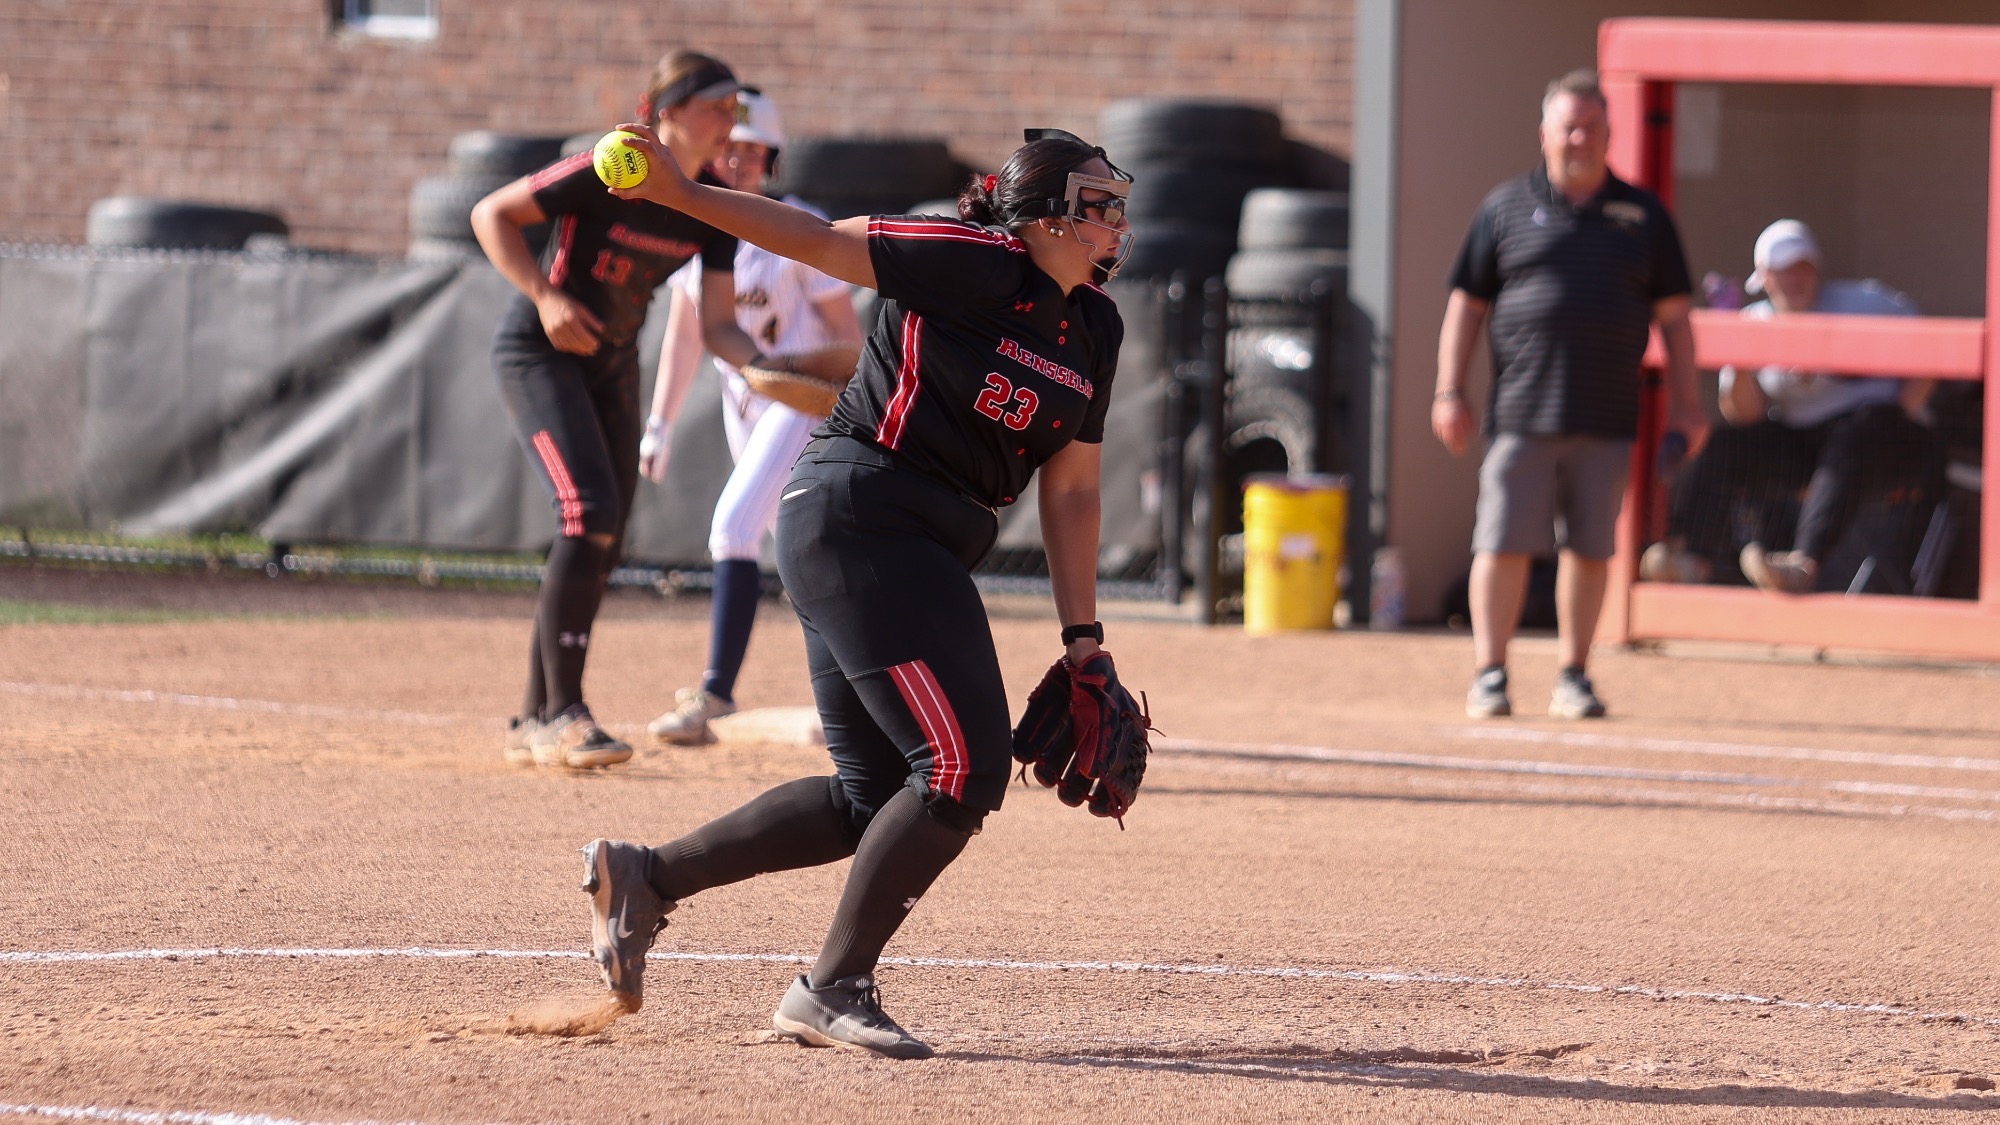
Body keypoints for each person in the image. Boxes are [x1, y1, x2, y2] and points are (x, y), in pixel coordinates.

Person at [569, 125, 1133, 1058]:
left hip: (913, 542)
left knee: (875, 798)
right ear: (1038, 216)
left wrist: (1085, 636)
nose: (1117, 221)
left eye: (1120, 205)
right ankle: (832, 986)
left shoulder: (1094, 330)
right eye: (1096, 204)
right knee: (960, 769)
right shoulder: (972, 261)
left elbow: (1073, 489)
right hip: (862, 512)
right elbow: (821, 241)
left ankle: (646, 877)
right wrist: (679, 195)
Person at [472, 51, 765, 769]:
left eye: (736, 109)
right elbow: (492, 214)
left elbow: (721, 325)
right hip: (541, 352)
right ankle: (564, 714)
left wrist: (770, 370)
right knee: (588, 514)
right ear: (665, 111)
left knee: (605, 532)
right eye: (715, 107)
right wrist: (545, 297)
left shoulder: (710, 201)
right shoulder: (613, 168)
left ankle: (536, 716)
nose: (730, 122)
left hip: (611, 363)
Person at [1433, 69, 1706, 721]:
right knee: (1501, 541)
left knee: (1590, 548)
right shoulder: (1503, 208)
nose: (1579, 138)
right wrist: (1449, 390)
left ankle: (1574, 674)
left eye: (1591, 127)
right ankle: (1491, 673)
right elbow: (1466, 306)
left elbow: (1676, 319)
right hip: (1521, 413)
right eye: (1568, 126)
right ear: (1545, 135)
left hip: (1608, 415)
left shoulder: (1645, 215)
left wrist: (1689, 404)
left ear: (1610, 135)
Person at [639, 91, 863, 746]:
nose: (737, 160)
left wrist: (791, 369)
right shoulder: (697, 227)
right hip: (745, 404)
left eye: (751, 150)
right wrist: (660, 422)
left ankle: (714, 691)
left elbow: (848, 344)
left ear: (771, 158)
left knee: (733, 527)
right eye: (728, 148)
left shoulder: (801, 226)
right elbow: (686, 336)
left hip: (797, 402)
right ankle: (857, 697)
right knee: (805, 554)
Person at [1642, 219, 1941, 593]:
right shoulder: (1753, 321)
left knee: (1858, 434)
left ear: (1816, 270)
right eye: (1782, 271)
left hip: (1887, 440)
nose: (1794, 280)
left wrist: (1901, 411)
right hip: (1807, 444)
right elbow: (1744, 415)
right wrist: (1742, 360)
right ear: (1763, 278)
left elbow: (1934, 350)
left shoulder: (1865, 301)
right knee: (1726, 445)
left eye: (1802, 268)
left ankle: (1802, 565)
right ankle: (1689, 556)